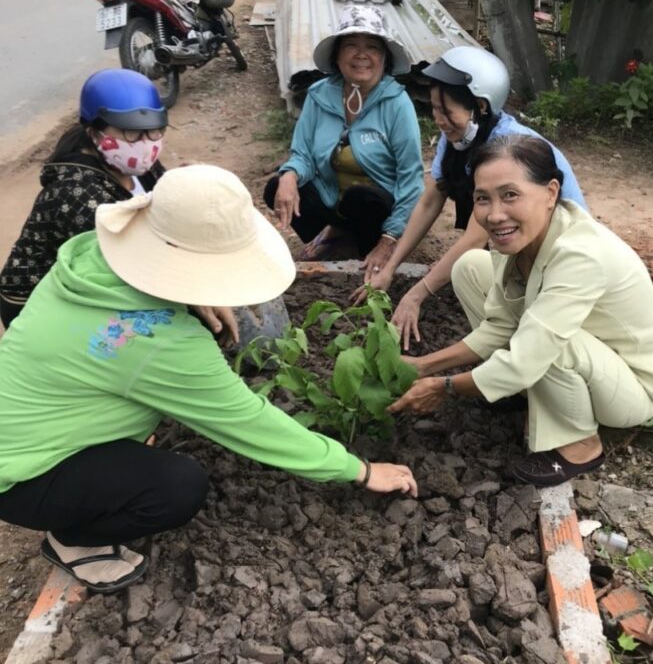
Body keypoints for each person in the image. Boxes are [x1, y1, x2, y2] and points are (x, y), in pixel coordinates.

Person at [0, 165, 417, 594]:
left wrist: (190, 295)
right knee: (176, 487)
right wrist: (359, 469)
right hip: (20, 477)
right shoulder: (159, 341)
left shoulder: (88, 259)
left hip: (20, 425)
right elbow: (249, 422)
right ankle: (73, 541)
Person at [389, 135, 653, 487]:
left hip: (631, 386)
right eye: (482, 199)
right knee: (471, 267)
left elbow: (527, 354)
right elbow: (501, 326)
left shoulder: (580, 253)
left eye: (510, 195)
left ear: (551, 192)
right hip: (583, 353)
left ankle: (581, 443)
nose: (494, 215)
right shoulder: (519, 241)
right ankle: (513, 390)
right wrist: (424, 366)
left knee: (548, 344)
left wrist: (443, 387)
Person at [364, 47, 586, 349]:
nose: (438, 120)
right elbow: (432, 199)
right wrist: (390, 268)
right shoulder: (458, 136)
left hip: (555, 257)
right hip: (520, 243)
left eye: (447, 111)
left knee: (493, 290)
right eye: (434, 109)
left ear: (480, 106)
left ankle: (512, 344)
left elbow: (472, 238)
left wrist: (415, 295)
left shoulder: (505, 149)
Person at [0, 69, 167, 329]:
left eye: (154, 130)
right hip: (37, 304)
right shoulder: (78, 193)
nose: (145, 144)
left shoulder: (139, 167)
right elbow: (133, 267)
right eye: (130, 133)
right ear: (94, 133)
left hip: (90, 276)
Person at [264, 4, 423, 277]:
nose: (362, 55)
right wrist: (289, 175)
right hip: (332, 198)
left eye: (372, 46)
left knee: (361, 198)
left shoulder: (397, 103)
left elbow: (412, 178)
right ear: (337, 56)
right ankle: (336, 233)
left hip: (377, 207)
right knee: (276, 186)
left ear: (384, 58)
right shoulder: (319, 95)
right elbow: (302, 153)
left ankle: (368, 244)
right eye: (351, 45)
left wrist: (390, 239)